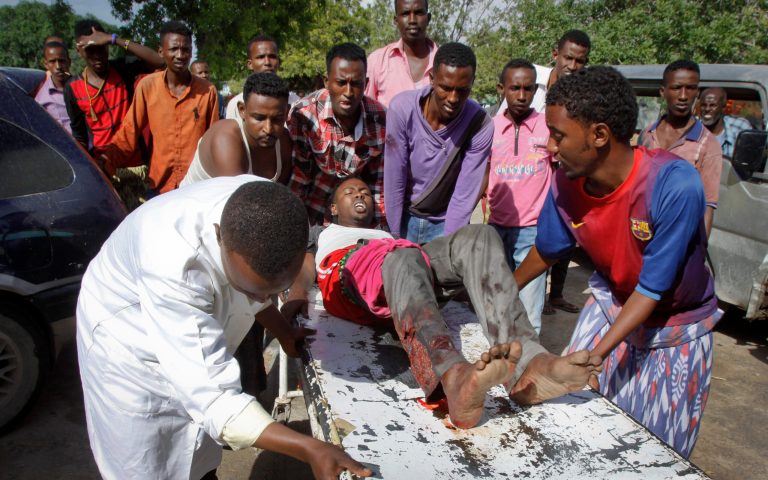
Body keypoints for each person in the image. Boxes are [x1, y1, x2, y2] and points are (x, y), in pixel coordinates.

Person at [77, 177, 372, 480]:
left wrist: (284, 331)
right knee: (151, 459)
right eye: (251, 291)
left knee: (200, 456)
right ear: (219, 237)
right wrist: (311, 449)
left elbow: (256, 294)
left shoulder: (268, 211)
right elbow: (215, 399)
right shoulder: (173, 260)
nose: (261, 301)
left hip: (181, 307)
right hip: (127, 341)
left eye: (273, 292)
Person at [514, 66, 721, 458]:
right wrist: (502, 289)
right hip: (613, 307)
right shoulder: (566, 182)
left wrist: (593, 359)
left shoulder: (673, 185)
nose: (550, 147)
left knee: (649, 453)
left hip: (674, 331)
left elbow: (651, 290)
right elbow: (547, 250)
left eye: (558, 136)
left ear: (599, 135)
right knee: (569, 433)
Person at [301, 176, 601, 429]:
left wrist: (472, 288)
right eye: (349, 192)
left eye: (365, 191)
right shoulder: (323, 233)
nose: (359, 194)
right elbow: (303, 268)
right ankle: (453, 376)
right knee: (404, 256)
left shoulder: (386, 234)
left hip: (401, 267)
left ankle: (528, 364)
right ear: (332, 207)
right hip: (351, 277)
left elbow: (414, 266)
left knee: (480, 236)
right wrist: (294, 300)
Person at [384, 42, 492, 244]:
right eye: (446, 88)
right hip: (405, 217)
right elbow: (394, 182)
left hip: (446, 221)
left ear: (471, 83)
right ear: (432, 78)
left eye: (462, 90)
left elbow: (463, 196)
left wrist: (447, 248)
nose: (453, 98)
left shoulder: (480, 124)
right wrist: (395, 237)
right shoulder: (402, 109)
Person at [101, 21, 219, 194]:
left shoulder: (208, 91)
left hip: (197, 187)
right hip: (159, 186)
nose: (180, 55)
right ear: (161, 51)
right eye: (173, 49)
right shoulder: (147, 86)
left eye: (185, 49)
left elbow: (213, 141)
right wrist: (105, 162)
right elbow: (129, 132)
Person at [486, 59, 555, 335]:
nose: (522, 95)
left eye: (528, 89)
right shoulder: (488, 128)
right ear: (502, 89)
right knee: (496, 299)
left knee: (529, 307)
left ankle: (530, 365)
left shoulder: (547, 125)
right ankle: (498, 357)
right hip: (497, 229)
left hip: (532, 231)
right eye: (515, 88)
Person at [289, 42, 387, 225]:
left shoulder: (381, 120)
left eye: (356, 84)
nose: (348, 92)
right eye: (341, 83)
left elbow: (377, 187)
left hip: (354, 210)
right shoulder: (304, 115)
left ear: (365, 83)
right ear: (327, 81)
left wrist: (381, 233)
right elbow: (299, 178)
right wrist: (295, 227)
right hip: (312, 205)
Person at [638, 60, 722, 238]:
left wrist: (698, 254)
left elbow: (708, 204)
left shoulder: (707, 144)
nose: (683, 96)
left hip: (676, 237)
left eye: (690, 88)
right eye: (676, 88)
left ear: (697, 93)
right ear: (663, 91)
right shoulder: (647, 134)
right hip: (640, 231)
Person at [64, 19, 164, 158]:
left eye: (101, 47)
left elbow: (159, 61)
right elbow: (79, 135)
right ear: (79, 51)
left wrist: (114, 39)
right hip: (103, 166)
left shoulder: (121, 68)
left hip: (135, 160)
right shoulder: (72, 87)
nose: (97, 55)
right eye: (90, 49)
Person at [182, 72, 291, 186]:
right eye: (259, 118)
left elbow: (280, 193)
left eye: (277, 119)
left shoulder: (284, 141)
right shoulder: (225, 137)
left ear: (287, 112)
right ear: (242, 110)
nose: (268, 129)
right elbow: (239, 199)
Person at [493, 29, 590, 117]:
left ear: (585, 62)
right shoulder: (529, 76)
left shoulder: (585, 96)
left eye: (579, 61)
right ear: (555, 54)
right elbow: (501, 122)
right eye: (568, 58)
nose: (572, 66)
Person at [365, 0, 437, 107]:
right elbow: (365, 108)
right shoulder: (377, 62)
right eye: (405, 13)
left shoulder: (445, 63)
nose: (412, 20)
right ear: (396, 20)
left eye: (418, 12)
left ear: (428, 18)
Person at [225, 34, 299, 120]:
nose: (267, 62)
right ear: (250, 64)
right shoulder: (235, 104)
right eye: (261, 57)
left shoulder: (295, 102)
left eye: (272, 57)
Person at [700, 87, 753, 159]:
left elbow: (749, 160)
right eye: (703, 105)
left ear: (723, 108)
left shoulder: (740, 127)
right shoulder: (693, 130)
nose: (707, 109)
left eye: (713, 105)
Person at [35, 41, 72, 133]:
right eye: (52, 61)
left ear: (69, 62)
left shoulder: (83, 87)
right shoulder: (42, 99)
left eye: (61, 61)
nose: (58, 66)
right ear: (46, 64)